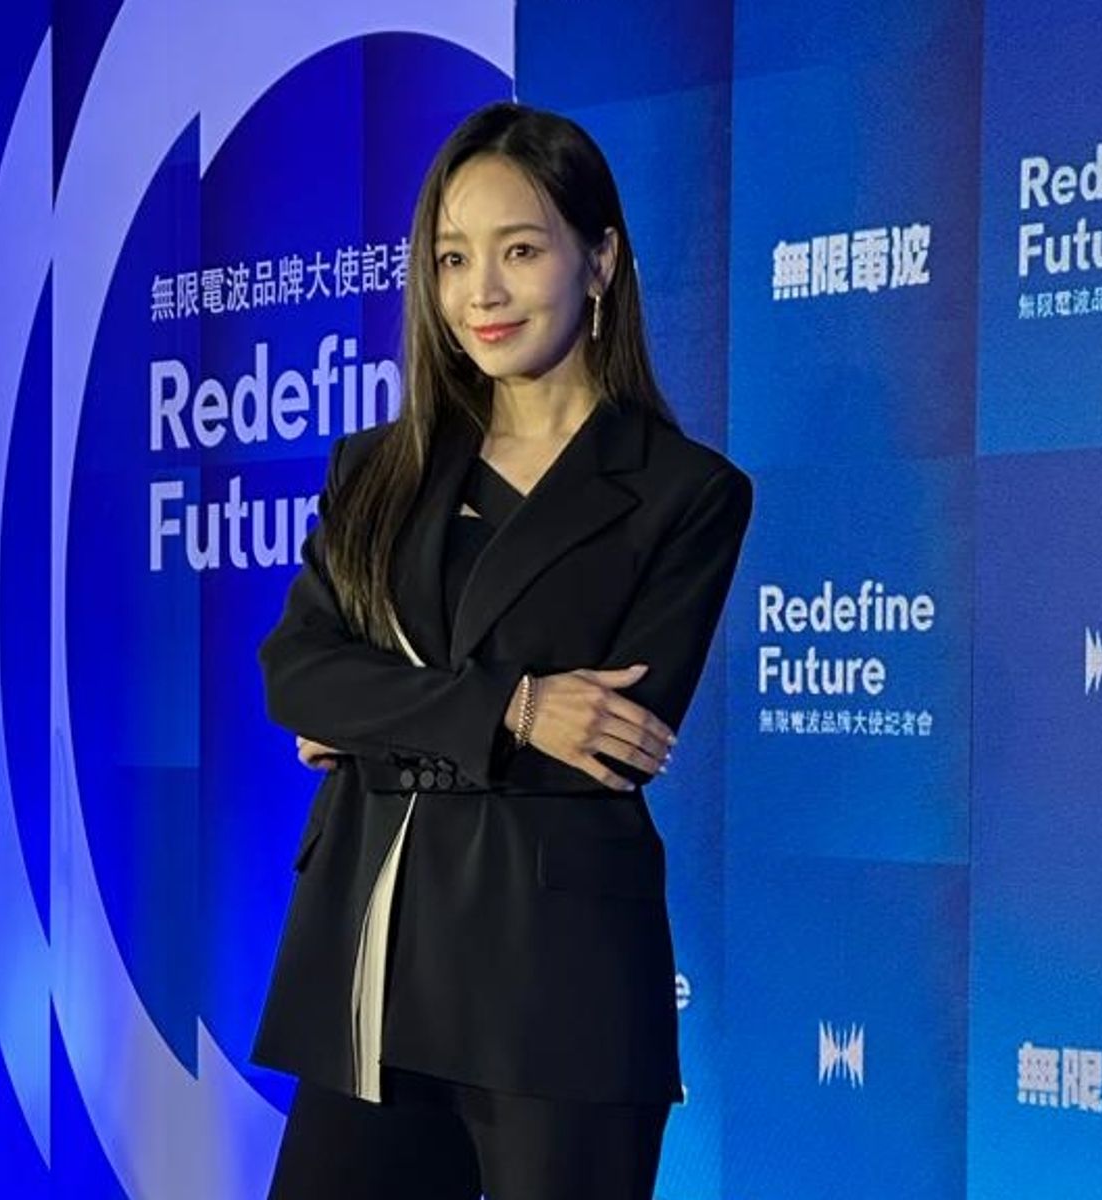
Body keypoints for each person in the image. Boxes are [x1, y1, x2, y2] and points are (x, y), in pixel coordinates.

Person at [251, 102, 752, 1200]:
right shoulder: (377, 470)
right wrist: (515, 707)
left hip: (557, 977)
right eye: (452, 259)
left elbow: (607, 743)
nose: (481, 292)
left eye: (519, 251)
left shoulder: (684, 493)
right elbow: (297, 672)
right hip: (372, 955)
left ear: (600, 260)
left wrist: (377, 719)